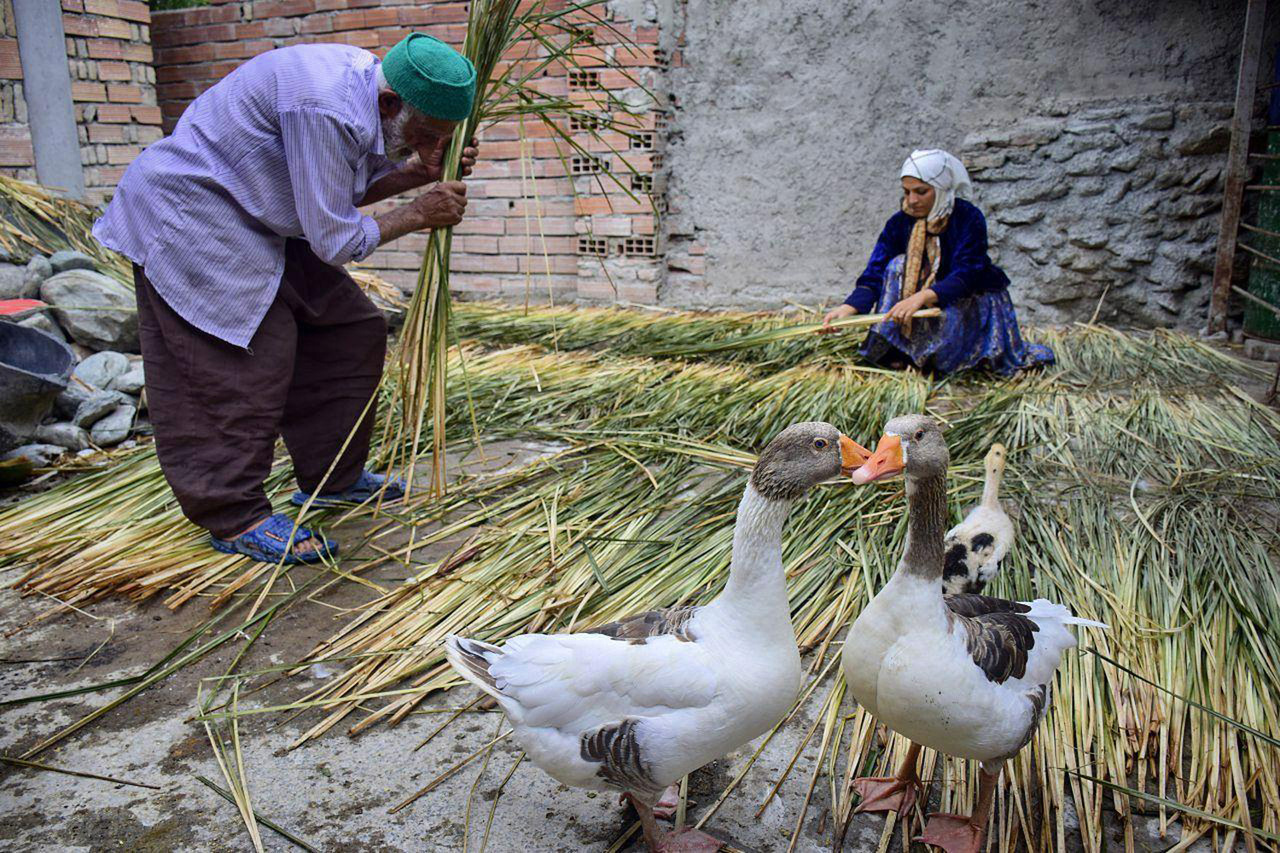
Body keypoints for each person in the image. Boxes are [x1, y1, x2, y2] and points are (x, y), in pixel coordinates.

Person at [93, 34, 480, 565]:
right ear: (390, 104)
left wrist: (416, 171)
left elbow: (329, 192)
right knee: (243, 355)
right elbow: (335, 240)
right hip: (195, 214)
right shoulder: (325, 107)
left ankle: (333, 476)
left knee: (349, 327)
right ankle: (234, 516)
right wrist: (417, 212)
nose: (429, 146)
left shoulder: (371, 93)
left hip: (262, 216)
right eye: (427, 136)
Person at [822, 149, 1054, 376]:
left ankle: (954, 357)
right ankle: (902, 351)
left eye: (921, 192)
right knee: (896, 265)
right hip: (916, 304)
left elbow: (968, 273)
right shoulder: (899, 223)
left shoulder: (967, 218)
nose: (911, 201)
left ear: (942, 189)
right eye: (907, 192)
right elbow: (876, 271)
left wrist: (922, 297)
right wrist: (850, 308)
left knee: (953, 330)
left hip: (963, 300)